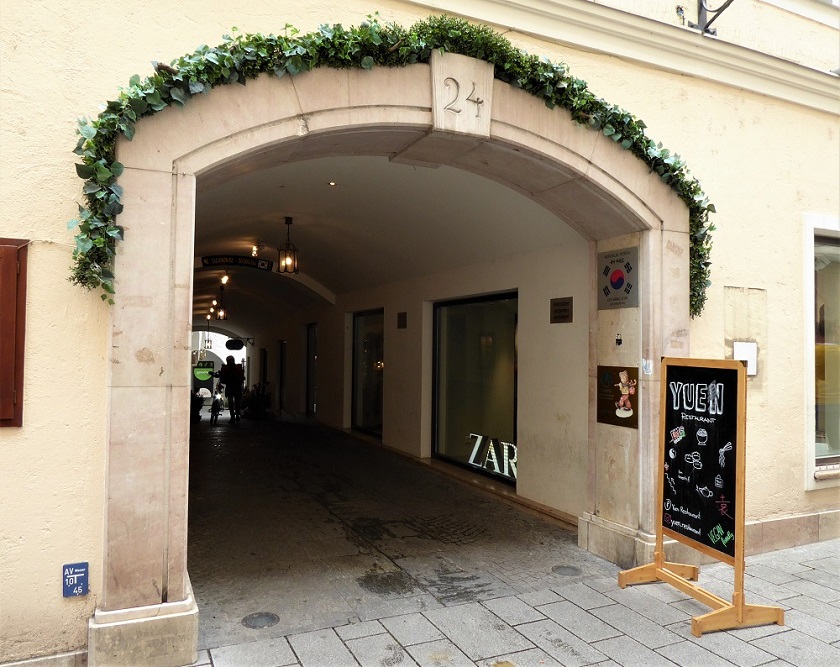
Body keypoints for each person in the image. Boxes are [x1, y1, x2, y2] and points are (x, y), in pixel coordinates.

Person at [215, 356, 244, 423]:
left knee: (232, 403)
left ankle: (234, 417)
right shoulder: (236, 368)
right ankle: (236, 416)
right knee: (236, 402)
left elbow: (222, 378)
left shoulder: (226, 368)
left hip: (231, 387)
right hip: (236, 387)